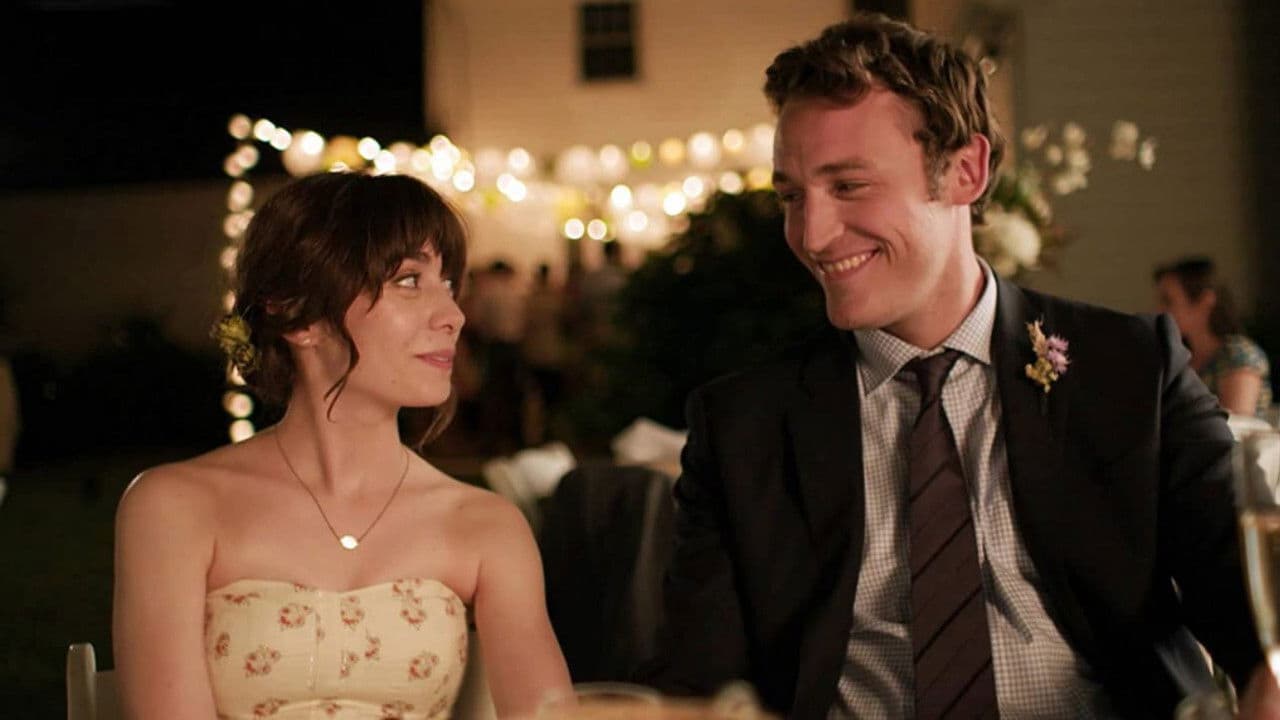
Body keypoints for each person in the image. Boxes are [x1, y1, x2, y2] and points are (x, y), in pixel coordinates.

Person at [640, 13, 1263, 719]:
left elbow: (1250, 599)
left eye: (849, 186)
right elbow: (695, 686)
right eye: (791, 196)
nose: (811, 235)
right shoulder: (744, 426)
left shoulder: (1130, 371)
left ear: (966, 171)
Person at [113, 172, 572, 719]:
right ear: (297, 313)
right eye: (409, 280)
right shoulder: (175, 507)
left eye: (449, 284)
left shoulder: (486, 525)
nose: (453, 316)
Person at [1154, 255, 1273, 417]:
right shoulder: (1178, 358)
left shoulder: (1238, 355)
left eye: (1168, 301)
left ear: (1205, 301)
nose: (1159, 310)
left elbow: (1236, 422)